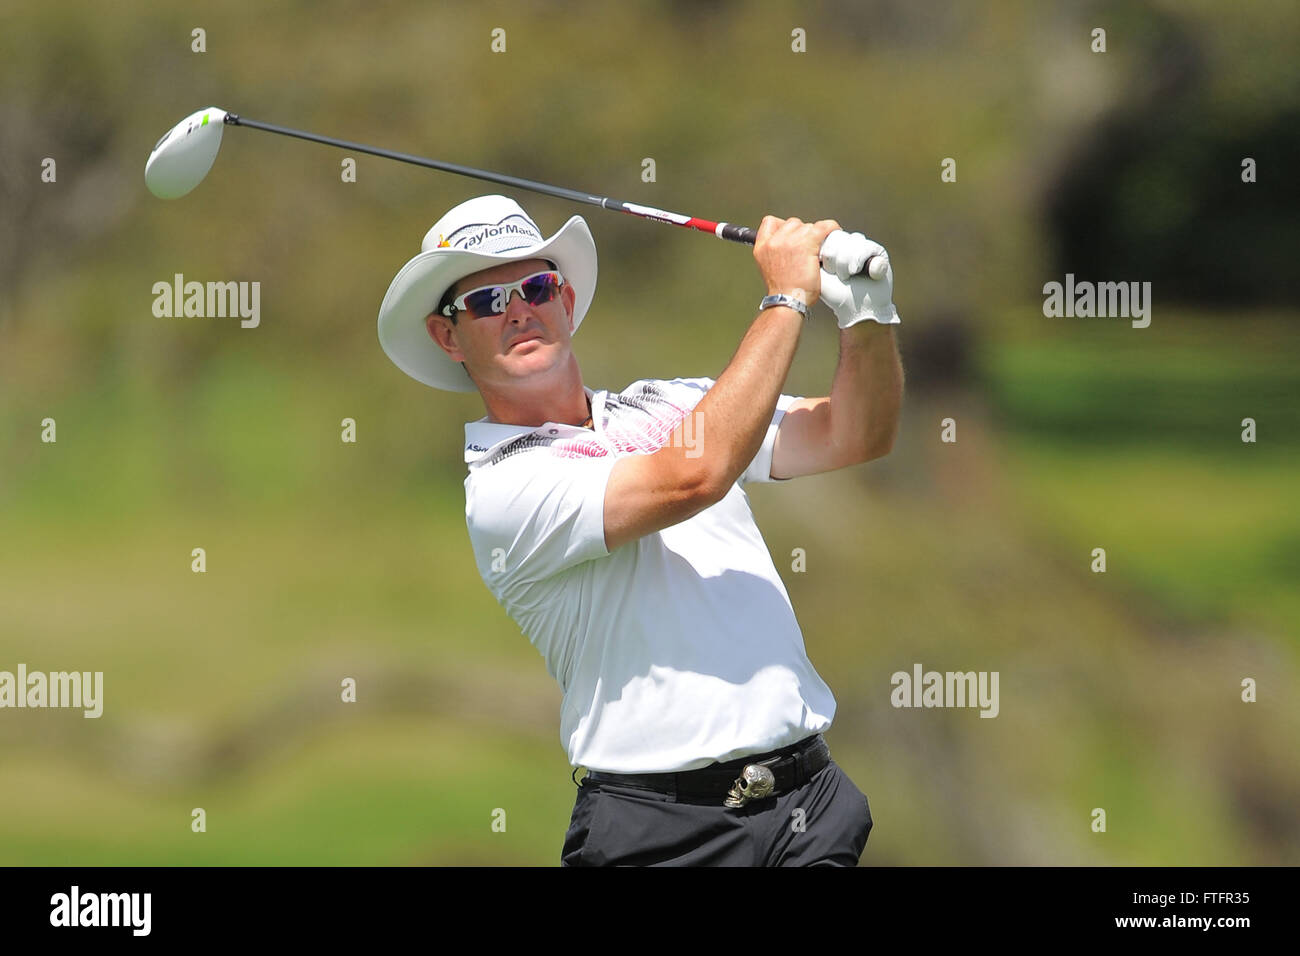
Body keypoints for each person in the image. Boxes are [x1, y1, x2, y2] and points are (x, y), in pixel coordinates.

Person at [377, 194, 903, 866]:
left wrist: (866, 314)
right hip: (663, 834)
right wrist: (786, 300)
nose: (517, 310)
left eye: (535, 286)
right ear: (448, 337)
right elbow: (694, 476)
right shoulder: (502, 489)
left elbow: (855, 433)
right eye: (485, 302)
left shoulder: (669, 401)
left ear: (564, 300)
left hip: (808, 808)